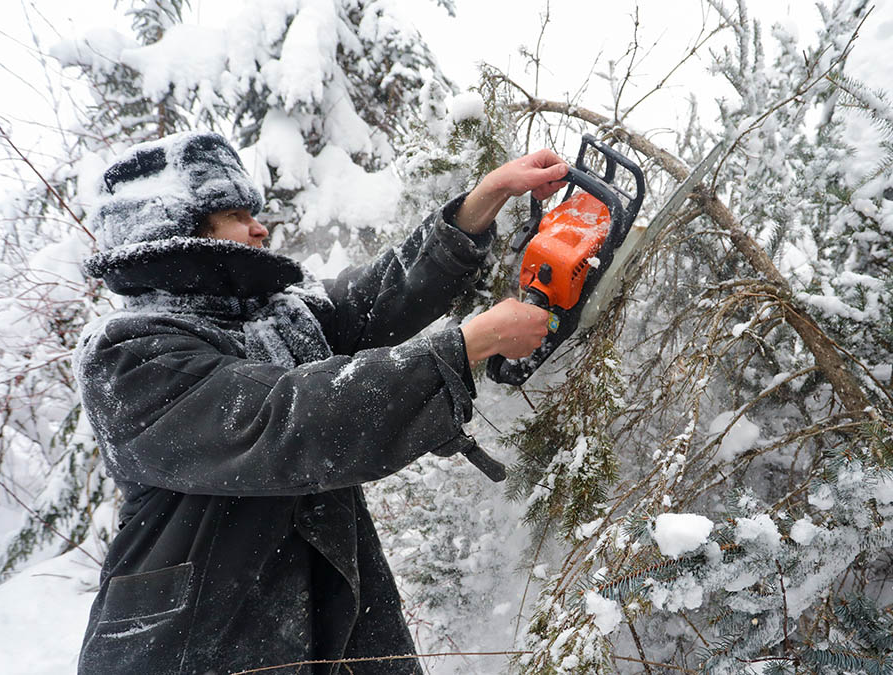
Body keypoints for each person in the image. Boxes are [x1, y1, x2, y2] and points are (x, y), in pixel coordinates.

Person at [74, 131, 566, 674]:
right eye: (236, 213)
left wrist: (481, 203)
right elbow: (286, 422)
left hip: (331, 622)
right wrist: (468, 344)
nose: (261, 226)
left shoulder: (276, 319)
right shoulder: (127, 353)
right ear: (176, 226)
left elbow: (374, 301)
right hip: (197, 646)